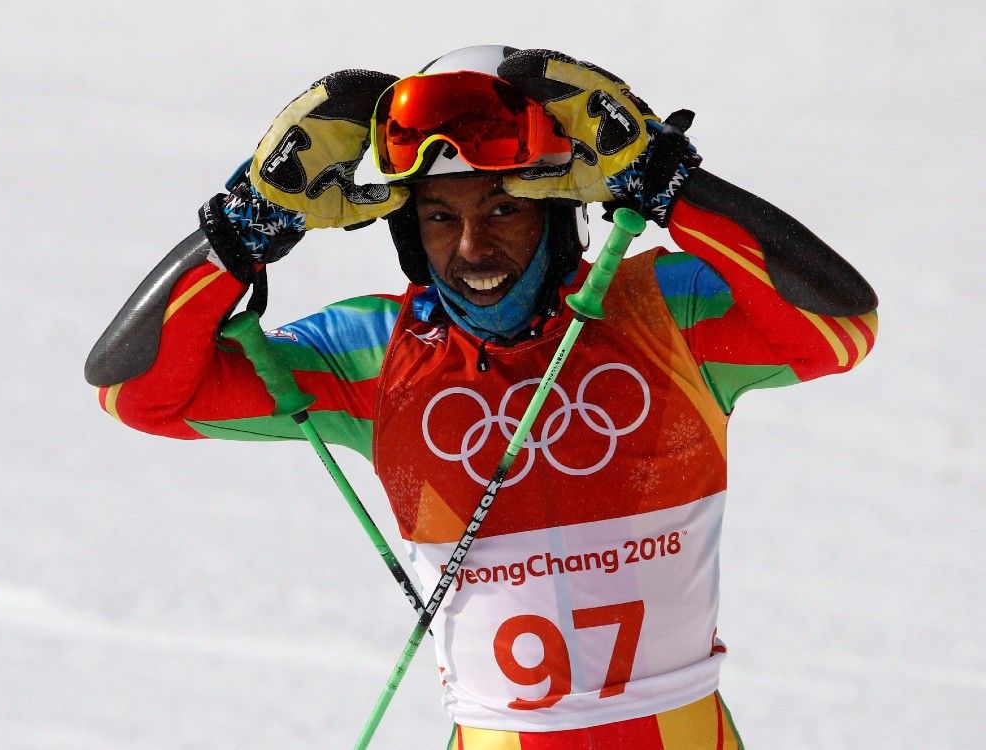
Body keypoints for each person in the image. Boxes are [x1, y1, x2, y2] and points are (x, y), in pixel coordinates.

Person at [86, 45, 878, 749]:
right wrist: (240, 231)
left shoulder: (664, 314)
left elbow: (838, 328)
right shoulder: (370, 356)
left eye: (503, 208)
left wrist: (670, 186)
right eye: (439, 216)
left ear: (560, 215)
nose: (472, 248)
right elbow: (136, 394)